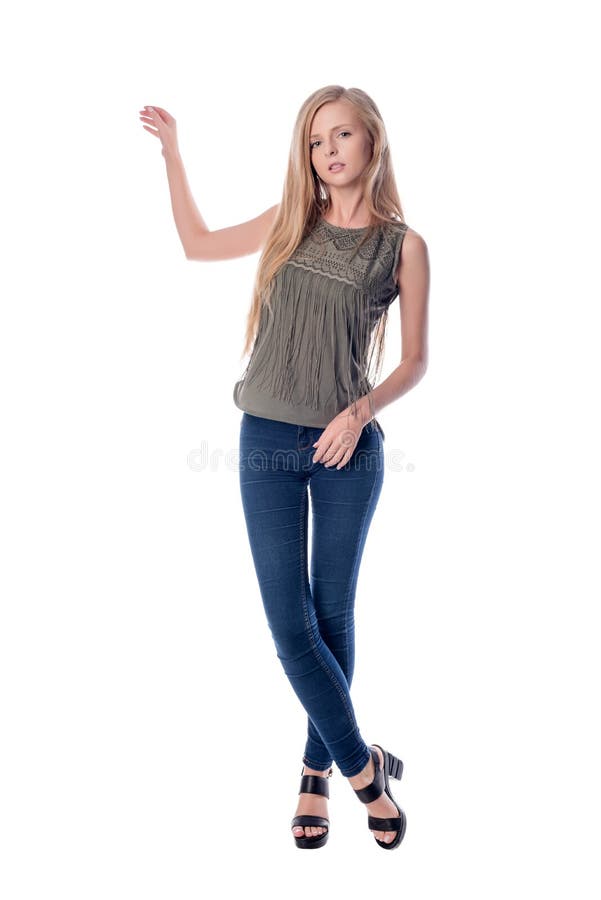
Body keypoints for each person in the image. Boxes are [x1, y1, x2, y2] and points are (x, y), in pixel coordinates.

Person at [139, 85, 429, 851]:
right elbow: (196, 244)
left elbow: (415, 362)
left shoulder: (402, 247)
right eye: (313, 140)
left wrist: (360, 413)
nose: (327, 151)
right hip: (265, 437)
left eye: (340, 135)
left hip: (345, 449)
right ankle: (366, 772)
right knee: (288, 626)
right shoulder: (287, 223)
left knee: (331, 618)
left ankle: (311, 776)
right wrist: (173, 154)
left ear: (372, 142)